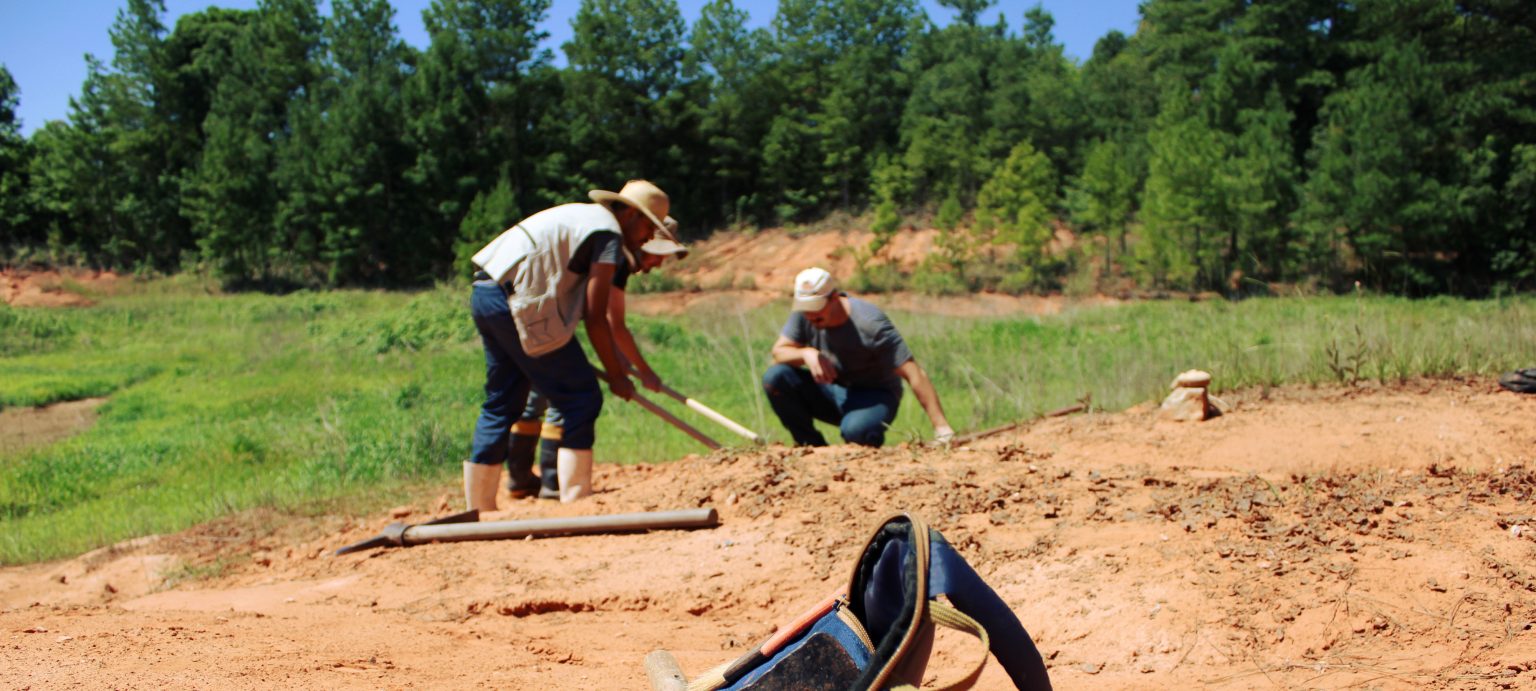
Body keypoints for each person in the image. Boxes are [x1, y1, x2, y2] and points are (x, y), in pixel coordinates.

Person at [466, 180, 675, 508]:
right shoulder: (608, 234)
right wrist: (616, 376)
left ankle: (477, 508)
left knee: (503, 401)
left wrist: (618, 366)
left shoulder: (584, 218)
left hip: (485, 292)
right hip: (516, 303)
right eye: (649, 225)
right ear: (632, 214)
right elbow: (596, 317)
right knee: (581, 396)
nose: (650, 237)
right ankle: (577, 501)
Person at [506, 219, 690, 500]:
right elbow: (612, 323)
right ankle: (553, 483)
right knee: (567, 395)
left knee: (540, 392)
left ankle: (522, 479)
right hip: (541, 315)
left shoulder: (613, 253)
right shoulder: (617, 260)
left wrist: (619, 362)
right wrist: (639, 372)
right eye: (660, 255)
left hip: (529, 309)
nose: (659, 264)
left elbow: (604, 320)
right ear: (647, 244)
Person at [763, 267, 954, 447]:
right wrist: (806, 353)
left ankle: (864, 445)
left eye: (816, 307)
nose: (810, 316)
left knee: (857, 432)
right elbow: (779, 352)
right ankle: (811, 448)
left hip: (875, 396)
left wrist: (942, 427)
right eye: (805, 308)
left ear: (835, 298)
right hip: (832, 390)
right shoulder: (805, 316)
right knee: (776, 377)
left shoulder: (871, 323)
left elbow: (914, 372)